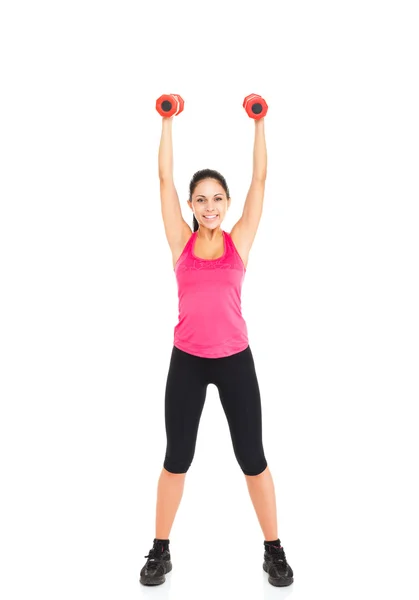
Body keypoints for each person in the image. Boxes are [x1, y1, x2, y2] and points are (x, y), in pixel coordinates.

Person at [140, 109, 294, 588]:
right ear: (190, 203)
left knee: (252, 455)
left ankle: (274, 550)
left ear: (227, 204)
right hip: (186, 360)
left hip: (235, 360)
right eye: (201, 199)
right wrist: (167, 122)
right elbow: (163, 177)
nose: (210, 206)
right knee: (177, 456)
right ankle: (159, 550)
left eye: (218, 199)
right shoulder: (180, 241)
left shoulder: (239, 241)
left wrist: (259, 124)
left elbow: (261, 180)